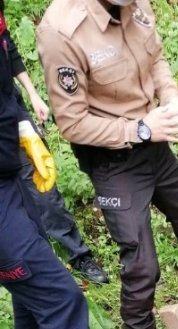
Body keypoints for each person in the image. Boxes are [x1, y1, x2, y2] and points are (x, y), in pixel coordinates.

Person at [37, 0, 178, 329]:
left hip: (154, 138)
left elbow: (155, 58)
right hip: (112, 157)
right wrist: (138, 130)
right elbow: (72, 124)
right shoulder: (62, 31)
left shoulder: (135, 5)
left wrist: (169, 97)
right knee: (141, 258)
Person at [0, 6, 148, 329]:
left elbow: (5, 65)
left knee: (34, 259)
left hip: (9, 174)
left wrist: (21, 123)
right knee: (61, 296)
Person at [6, 24, 109, 285]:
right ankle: (39, 268)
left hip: (10, 109)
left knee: (42, 184)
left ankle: (78, 255)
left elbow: (7, 46)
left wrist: (32, 94)